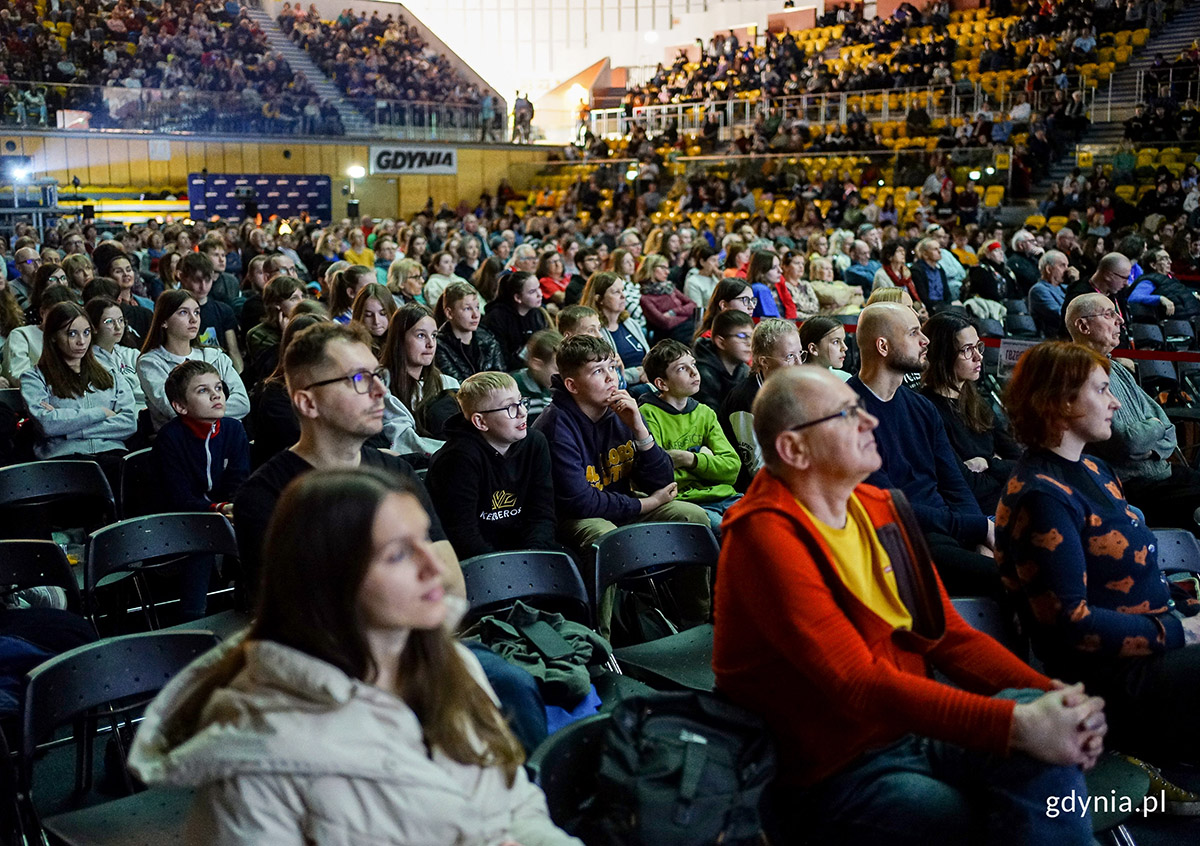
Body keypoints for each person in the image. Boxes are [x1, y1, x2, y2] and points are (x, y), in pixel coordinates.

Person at [715, 365, 1102, 845]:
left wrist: (1055, 699)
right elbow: (855, 682)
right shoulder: (763, 535)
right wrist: (1016, 724)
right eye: (847, 414)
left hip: (911, 733)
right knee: (982, 812)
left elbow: (947, 636)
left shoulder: (878, 506)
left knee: (1039, 728)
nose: (870, 422)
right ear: (794, 449)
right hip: (832, 772)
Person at [129, 467, 579, 845]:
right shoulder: (257, 759)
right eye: (399, 554)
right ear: (330, 580)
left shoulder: (450, 664)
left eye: (425, 540)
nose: (435, 566)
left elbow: (513, 799)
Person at [997, 340, 1200, 771]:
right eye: (1102, 390)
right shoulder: (1042, 495)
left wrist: (1186, 611)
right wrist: (1183, 632)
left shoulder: (1095, 469)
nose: (1115, 402)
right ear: (1062, 401)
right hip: (1109, 677)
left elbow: (1139, 575)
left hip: (1151, 648)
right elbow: (1073, 624)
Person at [849, 303, 999, 597]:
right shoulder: (847, 413)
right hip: (902, 539)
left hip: (948, 531)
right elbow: (888, 505)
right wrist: (976, 528)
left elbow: (955, 485)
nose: (925, 340)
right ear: (883, 346)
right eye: (914, 332)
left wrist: (979, 535)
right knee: (1026, 581)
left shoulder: (922, 408)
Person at [532, 334, 710, 555]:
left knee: (693, 516)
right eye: (598, 371)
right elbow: (581, 503)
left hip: (622, 506)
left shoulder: (623, 409)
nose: (611, 378)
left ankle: (690, 591)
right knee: (604, 534)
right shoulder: (555, 427)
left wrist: (639, 430)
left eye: (612, 367)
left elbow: (663, 481)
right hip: (575, 519)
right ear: (572, 385)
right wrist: (648, 504)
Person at [1065, 293, 1200, 531]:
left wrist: (1152, 434)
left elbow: (1169, 429)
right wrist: (1155, 428)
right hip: (1133, 487)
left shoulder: (1118, 368)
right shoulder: (1079, 374)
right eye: (1109, 315)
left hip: (1163, 475)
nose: (1120, 321)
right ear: (1083, 325)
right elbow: (1127, 442)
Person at [427, 371, 558, 559]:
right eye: (509, 407)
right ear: (480, 421)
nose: (522, 412)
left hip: (525, 549)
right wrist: (505, 567)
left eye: (521, 402)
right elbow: (462, 535)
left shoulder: (535, 443)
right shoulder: (457, 459)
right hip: (477, 560)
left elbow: (542, 514)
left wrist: (532, 556)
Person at [20, 302, 136, 482]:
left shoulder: (110, 373)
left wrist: (67, 428)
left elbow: (128, 423)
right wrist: (102, 413)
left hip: (112, 455)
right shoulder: (35, 377)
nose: (81, 341)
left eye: (86, 333)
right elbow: (47, 424)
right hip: (63, 460)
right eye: (71, 333)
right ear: (53, 337)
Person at [919, 312, 1020, 514]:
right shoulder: (927, 409)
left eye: (978, 347)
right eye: (967, 350)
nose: (978, 356)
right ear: (943, 355)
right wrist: (999, 465)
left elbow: (1022, 462)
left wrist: (989, 464)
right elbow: (967, 485)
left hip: (1008, 502)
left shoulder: (976, 400)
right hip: (980, 512)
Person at [640, 340, 741, 534]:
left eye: (693, 364)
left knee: (765, 522)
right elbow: (662, 475)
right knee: (728, 531)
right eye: (681, 369)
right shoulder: (648, 414)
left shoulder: (705, 413)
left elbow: (732, 469)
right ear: (662, 383)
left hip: (725, 496)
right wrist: (708, 460)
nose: (694, 372)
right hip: (687, 501)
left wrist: (690, 459)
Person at [137, 290, 250, 432]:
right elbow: (173, 410)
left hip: (226, 434)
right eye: (183, 312)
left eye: (196, 312)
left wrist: (199, 412)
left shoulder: (215, 355)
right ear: (164, 321)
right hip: (180, 442)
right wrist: (216, 410)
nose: (193, 319)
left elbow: (242, 403)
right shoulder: (150, 362)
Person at [721, 319, 803, 491]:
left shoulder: (791, 388)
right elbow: (757, 469)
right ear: (764, 362)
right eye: (789, 356)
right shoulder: (745, 400)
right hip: (754, 491)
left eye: (800, 354)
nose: (799, 363)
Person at [380, 303, 461, 457]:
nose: (430, 344)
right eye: (421, 335)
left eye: (434, 335)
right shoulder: (381, 383)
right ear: (399, 339)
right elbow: (402, 440)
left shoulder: (448, 384)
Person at [581, 271, 651, 389]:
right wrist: (637, 374)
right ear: (599, 299)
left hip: (647, 381)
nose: (623, 296)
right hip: (621, 389)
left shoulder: (630, 323)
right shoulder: (594, 332)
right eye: (616, 292)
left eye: (622, 290)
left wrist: (650, 372)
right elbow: (602, 375)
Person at [178, 253, 244, 373]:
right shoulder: (174, 311)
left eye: (207, 280)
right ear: (182, 277)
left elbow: (233, 350)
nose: (203, 286)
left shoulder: (223, 310)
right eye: (196, 280)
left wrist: (239, 379)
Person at [2, 285, 75, 384]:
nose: (62, 321)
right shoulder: (21, 336)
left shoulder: (78, 338)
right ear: (42, 312)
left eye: (67, 316)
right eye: (56, 314)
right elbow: (20, 376)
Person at [434, 282, 505, 382]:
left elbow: (502, 378)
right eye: (467, 308)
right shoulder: (439, 346)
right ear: (449, 313)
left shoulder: (488, 338)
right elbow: (456, 387)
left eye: (477, 307)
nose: (476, 315)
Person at [480, 271, 549, 372]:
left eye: (539, 288)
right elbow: (500, 357)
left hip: (534, 367)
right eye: (532, 291)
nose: (540, 294)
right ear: (518, 298)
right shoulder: (496, 318)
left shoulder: (537, 313)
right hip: (509, 371)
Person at [85, 296, 145, 410]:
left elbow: (148, 391)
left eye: (121, 320)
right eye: (109, 322)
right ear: (94, 327)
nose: (118, 327)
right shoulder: (88, 360)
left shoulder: (131, 354)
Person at [693, 309, 752, 411]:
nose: (749, 343)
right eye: (742, 336)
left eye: (751, 336)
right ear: (721, 342)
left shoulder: (745, 371)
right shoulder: (701, 375)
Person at [635, 254, 697, 343]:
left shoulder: (669, 288)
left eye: (667, 268)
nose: (667, 272)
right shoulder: (645, 298)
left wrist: (673, 312)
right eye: (663, 268)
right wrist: (686, 315)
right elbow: (665, 323)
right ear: (651, 268)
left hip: (687, 328)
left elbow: (693, 305)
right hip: (669, 338)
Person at [512, 329, 561, 423]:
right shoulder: (514, 390)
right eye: (558, 370)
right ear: (536, 364)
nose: (564, 376)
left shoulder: (557, 389)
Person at [1028, 250, 1070, 338]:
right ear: (1048, 269)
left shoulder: (1065, 288)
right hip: (1053, 338)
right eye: (1062, 265)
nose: (1067, 270)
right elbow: (1060, 315)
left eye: (1067, 265)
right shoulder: (1038, 290)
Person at [349, 282, 396, 357]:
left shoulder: (401, 340)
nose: (376, 321)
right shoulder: (353, 345)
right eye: (369, 315)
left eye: (383, 314)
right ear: (359, 315)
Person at [799, 316, 851, 382]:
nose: (845, 348)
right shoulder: (797, 382)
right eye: (835, 342)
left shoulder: (845, 379)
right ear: (813, 349)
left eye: (844, 340)